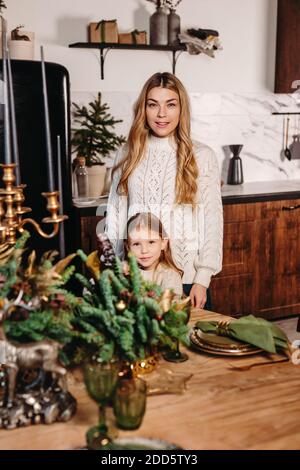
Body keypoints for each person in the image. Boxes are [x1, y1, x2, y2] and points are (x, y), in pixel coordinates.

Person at [105, 72, 223, 309]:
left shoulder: (202, 156)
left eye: (170, 105)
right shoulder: (128, 153)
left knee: (187, 344)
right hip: (136, 279)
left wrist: (202, 278)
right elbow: (116, 217)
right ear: (143, 109)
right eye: (153, 105)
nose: (161, 114)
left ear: (181, 109)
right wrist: (116, 270)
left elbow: (211, 221)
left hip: (187, 280)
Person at [125, 212, 183, 297]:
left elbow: (170, 306)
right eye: (136, 244)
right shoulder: (124, 272)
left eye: (151, 242)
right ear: (128, 247)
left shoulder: (170, 276)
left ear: (163, 243)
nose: (144, 250)